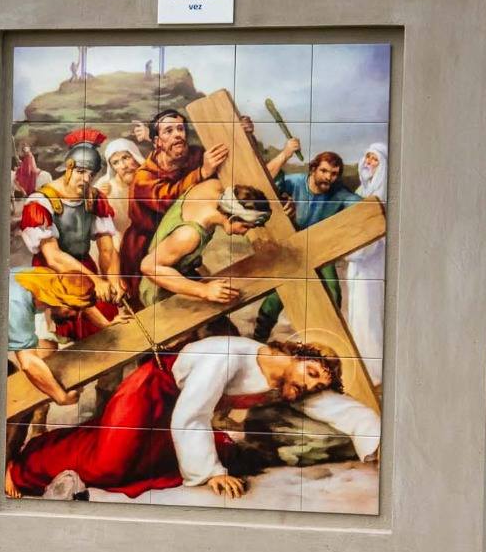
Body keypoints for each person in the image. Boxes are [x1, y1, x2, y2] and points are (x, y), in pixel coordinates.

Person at [5, 335, 372, 499]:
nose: (310, 386)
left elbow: (333, 407)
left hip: (176, 410)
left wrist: (377, 440)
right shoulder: (228, 356)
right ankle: (24, 466)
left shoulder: (288, 381)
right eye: (311, 374)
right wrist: (210, 472)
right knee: (109, 463)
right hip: (150, 395)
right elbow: (191, 414)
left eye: (316, 384)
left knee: (142, 463)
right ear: (295, 355)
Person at [16, 129, 122, 338]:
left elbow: (107, 250)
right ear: (68, 168)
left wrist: (114, 279)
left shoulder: (94, 198)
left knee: (110, 317)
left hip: (85, 268)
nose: (86, 179)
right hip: (55, 274)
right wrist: (96, 281)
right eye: (81, 172)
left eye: (91, 174)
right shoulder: (40, 202)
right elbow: (54, 257)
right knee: (69, 327)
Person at [119, 108, 230, 302]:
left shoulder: (195, 156)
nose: (177, 135)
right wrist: (202, 173)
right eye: (168, 131)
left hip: (180, 243)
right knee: (157, 307)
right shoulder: (144, 177)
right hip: (147, 249)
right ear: (157, 142)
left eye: (180, 129)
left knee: (202, 302)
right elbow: (167, 200)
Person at [252, 149, 363, 340]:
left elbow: (361, 207)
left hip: (321, 250)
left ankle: (328, 338)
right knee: (279, 294)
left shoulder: (339, 193)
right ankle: (259, 336)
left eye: (334, 173)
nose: (328, 177)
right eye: (324, 171)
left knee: (333, 293)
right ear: (313, 169)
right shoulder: (295, 182)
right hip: (293, 249)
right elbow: (265, 185)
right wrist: (285, 155)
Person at [138, 181, 274, 308]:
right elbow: (148, 266)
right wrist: (203, 290)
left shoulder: (213, 186)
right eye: (245, 226)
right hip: (161, 290)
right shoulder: (189, 235)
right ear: (232, 218)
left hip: (184, 273)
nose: (244, 233)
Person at [6, 268, 98, 406]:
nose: (76, 315)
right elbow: (28, 362)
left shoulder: (48, 280)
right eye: (73, 308)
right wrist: (61, 397)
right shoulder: (17, 305)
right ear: (57, 299)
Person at [344, 143, 387, 379]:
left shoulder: (382, 194)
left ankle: (374, 375)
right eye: (367, 157)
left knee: (368, 319)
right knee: (358, 318)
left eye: (375, 159)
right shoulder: (362, 191)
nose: (368, 162)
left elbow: (374, 237)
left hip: (371, 267)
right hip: (357, 265)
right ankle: (361, 371)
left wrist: (351, 252)